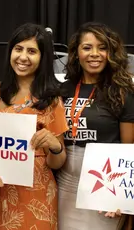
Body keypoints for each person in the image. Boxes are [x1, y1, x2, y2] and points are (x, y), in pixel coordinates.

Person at [0, 23, 68, 229]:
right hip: (0, 191)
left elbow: (57, 162)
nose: (23, 57)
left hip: (36, 194)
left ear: (42, 58)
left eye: (32, 51)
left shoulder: (51, 99)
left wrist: (54, 147)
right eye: (18, 49)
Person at [56, 22, 134, 230]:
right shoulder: (63, 89)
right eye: (87, 47)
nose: (95, 54)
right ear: (76, 53)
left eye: (102, 47)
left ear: (111, 52)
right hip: (64, 185)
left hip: (104, 187)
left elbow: (128, 150)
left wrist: (121, 197)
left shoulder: (122, 91)